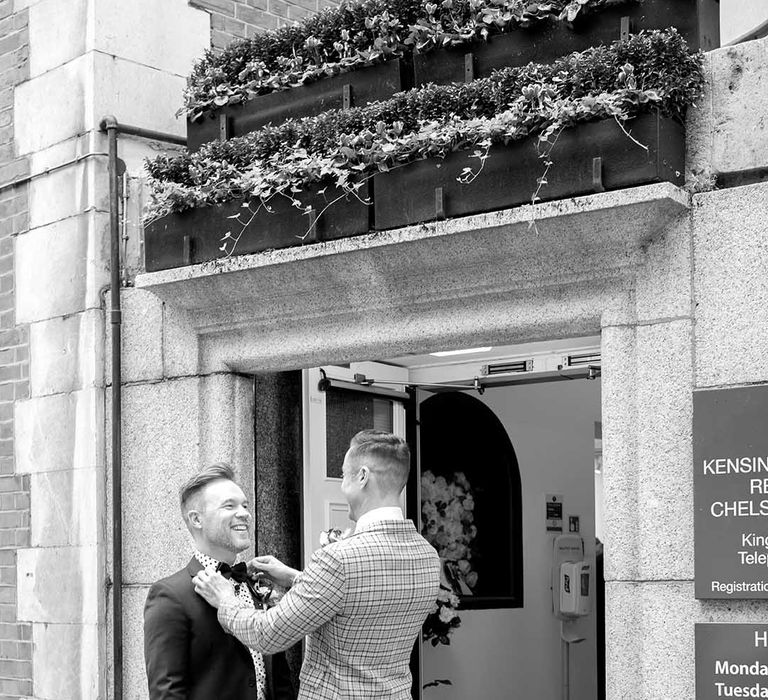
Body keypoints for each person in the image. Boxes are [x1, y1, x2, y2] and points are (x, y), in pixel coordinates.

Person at [193, 430, 441, 699]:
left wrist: (226, 599)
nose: (342, 486)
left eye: (344, 475)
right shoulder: (428, 556)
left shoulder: (339, 559)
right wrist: (294, 578)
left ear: (362, 477)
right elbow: (365, 598)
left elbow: (267, 635)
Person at [143, 463, 295, 700]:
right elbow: (167, 693)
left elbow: (280, 678)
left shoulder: (257, 584)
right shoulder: (170, 595)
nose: (244, 513)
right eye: (229, 506)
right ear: (196, 520)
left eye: (245, 505)